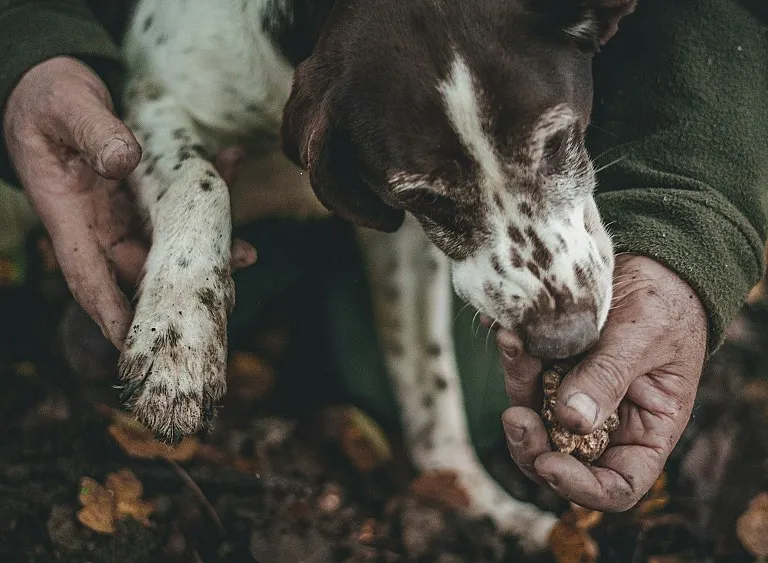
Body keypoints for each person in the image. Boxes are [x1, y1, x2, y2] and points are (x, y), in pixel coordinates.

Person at [1, 0, 766, 513]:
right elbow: (159, 99)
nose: (557, 297)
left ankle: (432, 436)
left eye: (556, 146)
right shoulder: (228, 45)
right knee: (126, 303)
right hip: (279, 155)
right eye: (435, 196)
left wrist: (691, 229)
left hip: (357, 173)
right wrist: (28, 54)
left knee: (489, 402)